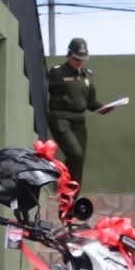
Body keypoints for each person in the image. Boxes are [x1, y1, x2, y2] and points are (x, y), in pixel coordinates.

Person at [46, 37, 101, 184]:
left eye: (83, 59)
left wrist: (103, 108)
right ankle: (63, 182)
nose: (79, 62)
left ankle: (70, 197)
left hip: (79, 121)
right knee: (75, 153)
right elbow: (43, 92)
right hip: (61, 118)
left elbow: (91, 102)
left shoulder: (87, 75)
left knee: (79, 159)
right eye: (76, 58)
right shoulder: (57, 73)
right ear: (68, 55)